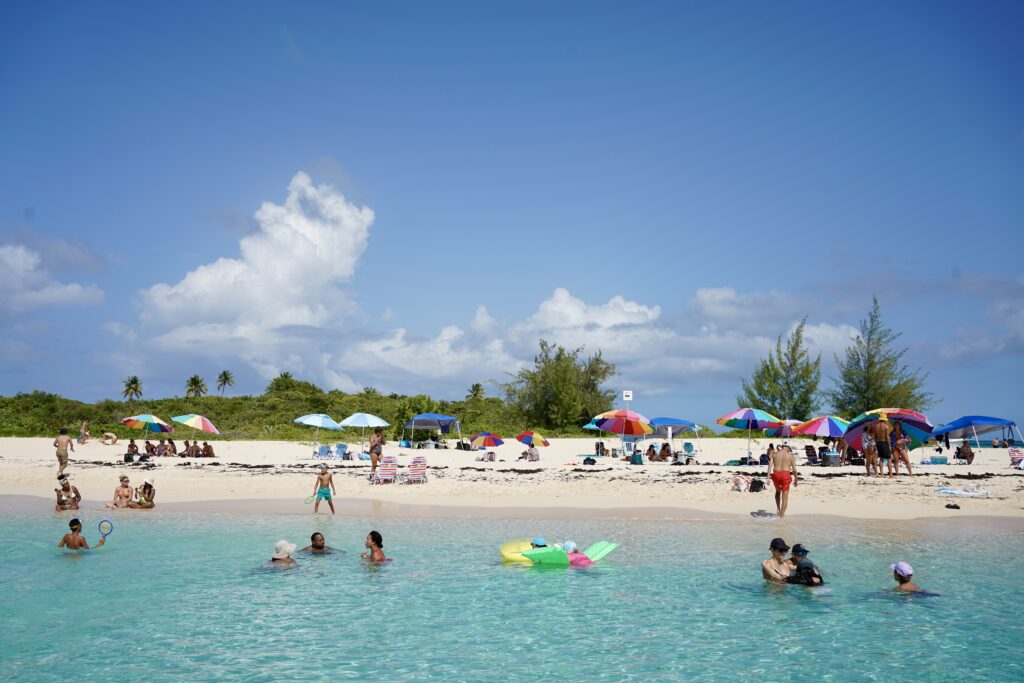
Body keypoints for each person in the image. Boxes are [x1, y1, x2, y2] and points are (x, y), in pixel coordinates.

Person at [766, 444, 798, 518]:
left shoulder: (775, 454)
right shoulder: (790, 455)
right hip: (785, 475)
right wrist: (796, 480)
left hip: (776, 475)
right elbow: (794, 470)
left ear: (782, 446)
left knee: (778, 491)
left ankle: (778, 508)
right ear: (788, 447)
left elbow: (770, 466)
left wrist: (768, 478)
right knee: (785, 496)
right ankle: (781, 516)